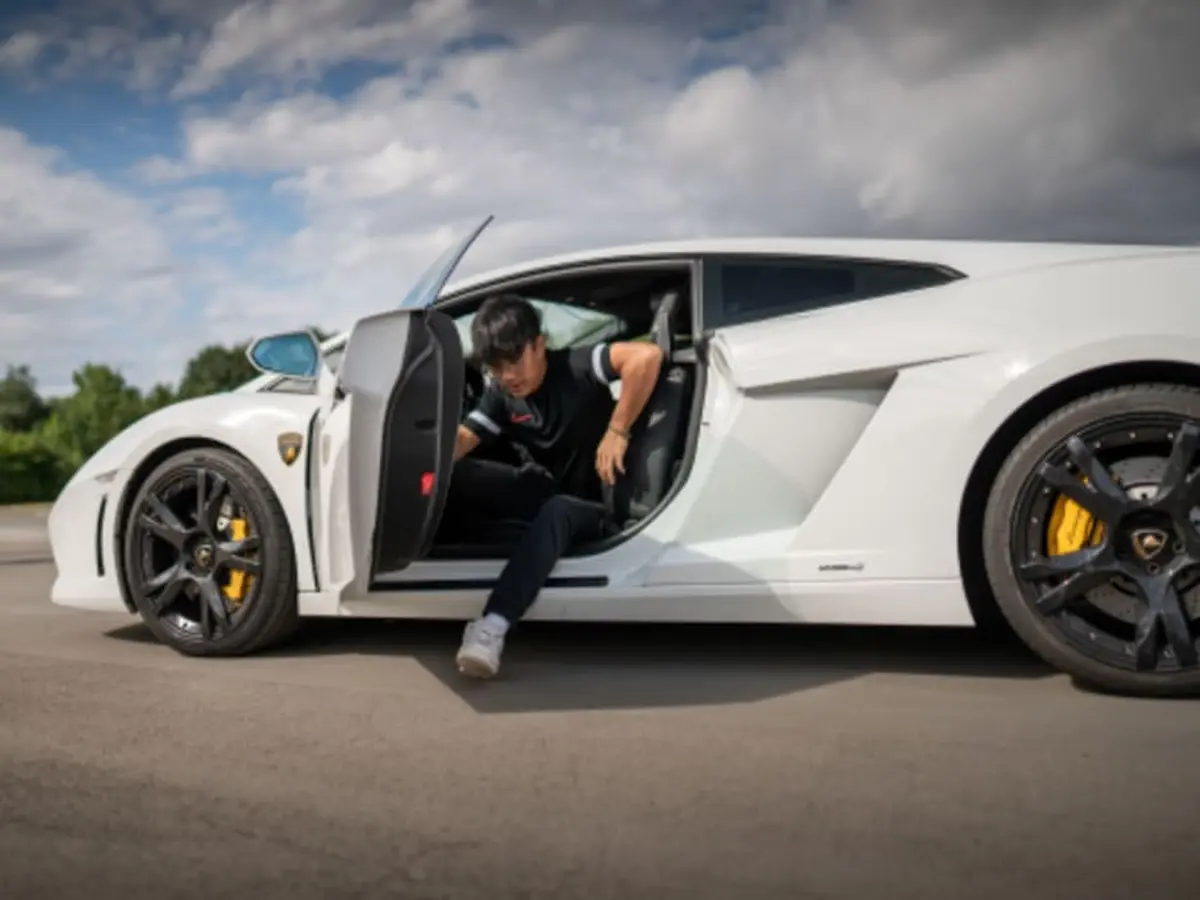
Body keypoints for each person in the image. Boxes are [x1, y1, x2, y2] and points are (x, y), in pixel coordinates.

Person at [447, 293, 664, 678]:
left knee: (558, 509)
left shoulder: (578, 365)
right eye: (497, 367)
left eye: (515, 360)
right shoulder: (501, 394)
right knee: (455, 473)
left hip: (590, 505)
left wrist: (618, 430)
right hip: (539, 489)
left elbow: (645, 358)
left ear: (540, 345)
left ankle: (492, 628)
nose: (508, 375)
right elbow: (467, 437)